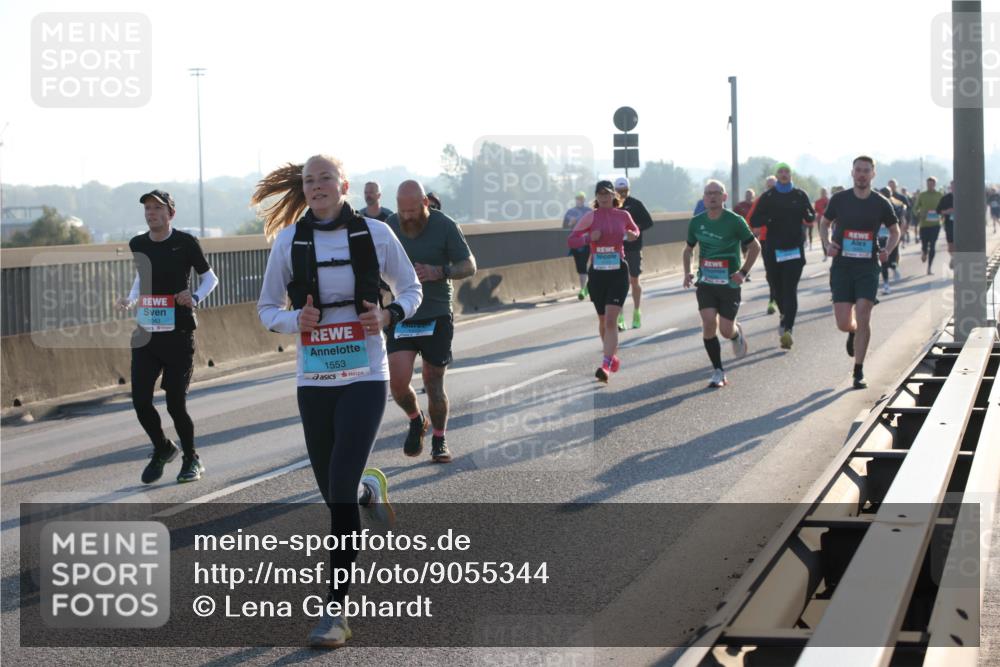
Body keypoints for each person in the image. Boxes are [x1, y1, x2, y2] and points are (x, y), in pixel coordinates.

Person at [254, 155, 422, 647]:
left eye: (326, 178)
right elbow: (267, 309)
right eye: (309, 181)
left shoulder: (376, 234)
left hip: (366, 373)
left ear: (343, 185)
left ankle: (335, 611)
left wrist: (389, 316)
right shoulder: (288, 241)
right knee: (336, 492)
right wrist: (294, 323)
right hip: (314, 378)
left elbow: (411, 288)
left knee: (338, 489)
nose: (317, 187)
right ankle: (369, 493)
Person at [115, 190, 219, 485]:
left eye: (157, 208)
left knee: (175, 404)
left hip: (179, 334)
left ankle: (191, 458)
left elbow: (210, 277)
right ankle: (162, 448)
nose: (151, 213)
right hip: (147, 335)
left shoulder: (185, 243)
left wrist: (195, 295)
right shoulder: (138, 243)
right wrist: (132, 299)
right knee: (140, 401)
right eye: (147, 208)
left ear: (170, 214)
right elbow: (141, 278)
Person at [386, 181, 476, 464]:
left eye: (413, 210)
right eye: (403, 211)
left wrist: (440, 271)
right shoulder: (389, 225)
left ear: (425, 203)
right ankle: (416, 419)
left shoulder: (445, 225)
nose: (408, 217)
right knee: (398, 384)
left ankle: (439, 438)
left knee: (432, 380)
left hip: (436, 314)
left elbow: (469, 265)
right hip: (403, 313)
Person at [820, 156, 900, 390]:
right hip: (843, 265)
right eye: (858, 170)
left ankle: (858, 370)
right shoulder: (839, 199)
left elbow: (895, 231)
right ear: (852, 173)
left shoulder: (881, 202)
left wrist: (888, 250)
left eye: (866, 171)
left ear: (873, 174)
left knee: (864, 312)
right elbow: (824, 224)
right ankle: (852, 332)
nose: (862, 174)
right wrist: (827, 244)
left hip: (868, 265)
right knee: (844, 322)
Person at [683, 180, 759, 388]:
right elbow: (688, 249)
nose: (712, 196)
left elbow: (755, 247)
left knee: (725, 330)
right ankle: (718, 371)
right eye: (708, 193)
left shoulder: (735, 221)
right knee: (708, 323)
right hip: (706, 282)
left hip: (729, 284)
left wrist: (743, 272)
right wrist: (687, 272)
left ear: (724, 197)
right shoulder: (696, 222)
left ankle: (735, 334)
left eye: (716, 193)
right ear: (704, 198)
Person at [568, 180, 640, 383]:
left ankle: (606, 364)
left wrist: (632, 235)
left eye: (607, 193)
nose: (604, 197)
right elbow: (572, 240)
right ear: (596, 197)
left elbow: (635, 231)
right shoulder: (590, 217)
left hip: (618, 271)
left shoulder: (623, 215)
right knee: (602, 321)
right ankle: (612, 356)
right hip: (598, 274)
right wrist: (589, 237)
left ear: (613, 195)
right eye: (600, 194)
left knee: (610, 320)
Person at [749, 163, 815, 350]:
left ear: (791, 174)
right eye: (781, 172)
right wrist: (770, 218)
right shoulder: (768, 197)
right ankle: (784, 315)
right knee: (776, 288)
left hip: (794, 249)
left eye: (787, 172)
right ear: (777, 175)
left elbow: (810, 216)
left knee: (790, 289)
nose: (784, 175)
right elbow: (754, 220)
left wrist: (808, 214)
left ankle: (788, 330)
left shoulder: (800, 195)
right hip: (773, 250)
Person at [615, 176, 654, 330]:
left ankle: (637, 311)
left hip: (633, 248)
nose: (622, 193)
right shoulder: (612, 206)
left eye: (624, 190)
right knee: (618, 283)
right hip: (616, 249)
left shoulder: (636, 204)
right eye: (619, 191)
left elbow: (649, 222)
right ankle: (620, 316)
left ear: (629, 189)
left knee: (634, 281)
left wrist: (634, 229)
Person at [563, 192, 592, 299]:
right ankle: (583, 287)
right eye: (578, 198)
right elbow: (564, 226)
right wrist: (570, 223)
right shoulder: (570, 212)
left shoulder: (589, 211)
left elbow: (595, 224)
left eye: (581, 198)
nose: (579, 200)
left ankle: (583, 289)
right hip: (575, 242)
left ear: (584, 199)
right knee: (579, 266)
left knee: (583, 263)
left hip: (586, 242)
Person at [914, 176, 944, 275]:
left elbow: (943, 207)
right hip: (924, 225)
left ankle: (929, 268)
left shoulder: (939, 195)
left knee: (933, 245)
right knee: (924, 245)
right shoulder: (922, 195)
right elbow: (915, 208)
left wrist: (942, 214)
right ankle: (924, 252)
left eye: (932, 184)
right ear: (927, 184)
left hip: (935, 224)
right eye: (928, 184)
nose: (930, 185)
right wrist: (919, 214)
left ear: (935, 184)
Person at [936, 180, 956, 269]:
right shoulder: (945, 198)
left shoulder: (965, 196)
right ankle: (953, 257)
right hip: (949, 224)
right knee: (950, 245)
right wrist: (947, 211)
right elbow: (938, 210)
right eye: (952, 186)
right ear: (950, 187)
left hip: (963, 225)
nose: (954, 188)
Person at [813, 187, 830, 259]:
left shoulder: (830, 201)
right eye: (822, 192)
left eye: (824, 192)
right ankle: (825, 253)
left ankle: (832, 250)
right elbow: (815, 211)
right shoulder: (817, 202)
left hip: (830, 220)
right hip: (821, 221)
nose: (823, 193)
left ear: (826, 193)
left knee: (831, 236)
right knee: (823, 237)